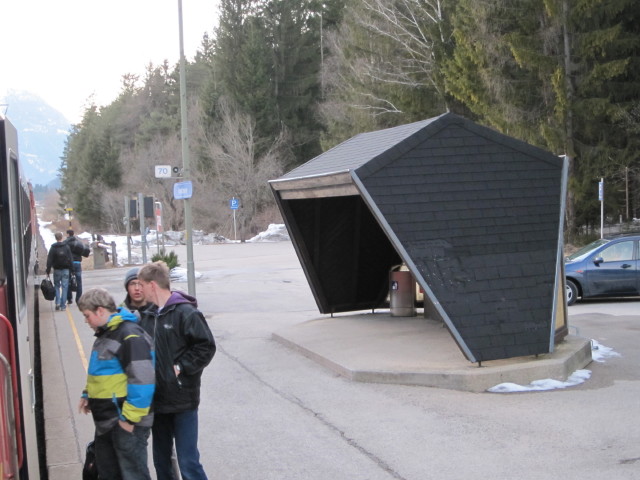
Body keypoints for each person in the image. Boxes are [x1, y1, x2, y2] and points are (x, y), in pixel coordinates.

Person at [137, 261, 215, 480]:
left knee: (188, 462)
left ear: (152, 285)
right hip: (157, 400)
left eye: (142, 285)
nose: (139, 290)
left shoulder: (186, 313)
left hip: (183, 401)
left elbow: (206, 346)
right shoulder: (147, 315)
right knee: (161, 461)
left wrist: (181, 367)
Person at [77, 288, 155, 480]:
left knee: (132, 474)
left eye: (87, 316)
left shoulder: (129, 335)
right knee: (109, 473)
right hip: (109, 421)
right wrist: (88, 394)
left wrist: (128, 420)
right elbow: (105, 371)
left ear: (100, 311)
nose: (86, 321)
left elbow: (143, 380)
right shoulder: (108, 333)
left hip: (124, 423)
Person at [45, 232, 73, 311]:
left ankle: (57, 302)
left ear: (55, 238)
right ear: (62, 237)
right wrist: (72, 270)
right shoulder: (66, 247)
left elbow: (49, 260)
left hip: (56, 270)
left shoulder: (53, 248)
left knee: (57, 286)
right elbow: (71, 259)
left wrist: (48, 270)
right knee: (65, 287)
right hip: (65, 270)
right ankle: (63, 305)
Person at [64, 229, 87, 304]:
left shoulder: (65, 243)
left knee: (68, 281)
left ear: (68, 234)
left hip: (68, 264)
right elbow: (84, 251)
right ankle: (78, 299)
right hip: (77, 263)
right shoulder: (78, 243)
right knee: (79, 281)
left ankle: (69, 299)